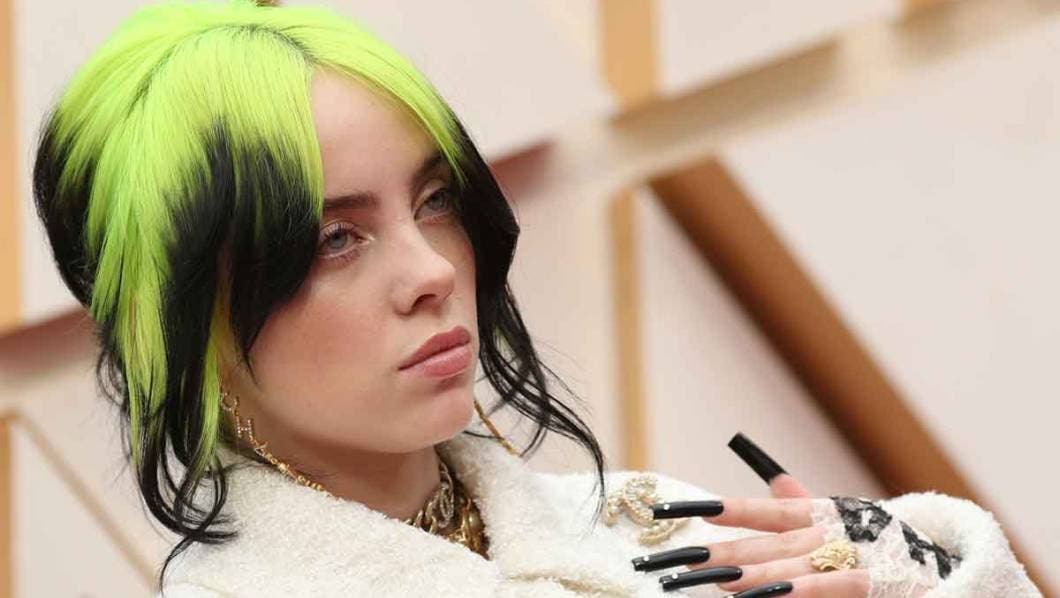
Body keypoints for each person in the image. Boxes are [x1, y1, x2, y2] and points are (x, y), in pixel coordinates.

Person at [30, 1, 1041, 596]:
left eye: (436, 200)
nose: (432, 270)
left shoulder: (634, 523)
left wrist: (899, 568)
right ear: (186, 320)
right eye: (336, 239)